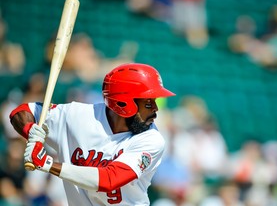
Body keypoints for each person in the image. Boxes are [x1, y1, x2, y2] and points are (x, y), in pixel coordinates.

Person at [9, 63, 175, 206]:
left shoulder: (152, 139)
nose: (155, 108)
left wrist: (48, 164)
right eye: (148, 102)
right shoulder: (77, 116)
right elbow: (22, 111)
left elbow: (109, 180)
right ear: (124, 103)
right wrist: (31, 131)